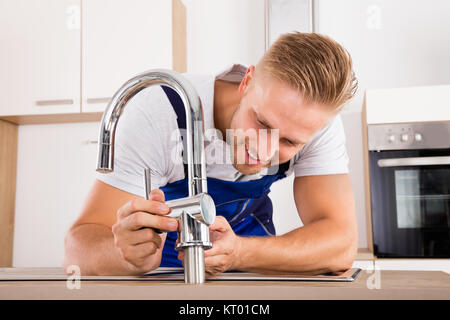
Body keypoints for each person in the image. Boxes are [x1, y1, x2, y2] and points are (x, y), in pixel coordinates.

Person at [63, 32, 358, 276]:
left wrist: (240, 252)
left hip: (252, 276)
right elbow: (77, 249)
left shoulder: (316, 123)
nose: (264, 151)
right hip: (158, 279)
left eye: (289, 143)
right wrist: (125, 254)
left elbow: (341, 245)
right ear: (247, 82)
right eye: (262, 123)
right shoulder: (159, 111)